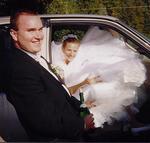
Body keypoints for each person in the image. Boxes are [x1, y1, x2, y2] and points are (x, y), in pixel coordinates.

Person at [4, 9, 95, 141]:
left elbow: (60, 94)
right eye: (31, 30)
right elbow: (43, 121)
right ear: (14, 34)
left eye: (40, 29)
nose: (39, 36)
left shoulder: (33, 58)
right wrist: (82, 124)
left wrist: (82, 108)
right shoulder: (20, 70)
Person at [52, 26, 146, 128]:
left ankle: (131, 122)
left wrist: (94, 80)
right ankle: (87, 127)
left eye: (75, 51)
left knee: (117, 88)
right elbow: (66, 91)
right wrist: (85, 83)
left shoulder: (75, 63)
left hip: (82, 92)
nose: (72, 54)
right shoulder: (59, 67)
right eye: (69, 50)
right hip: (73, 98)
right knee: (116, 92)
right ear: (62, 49)